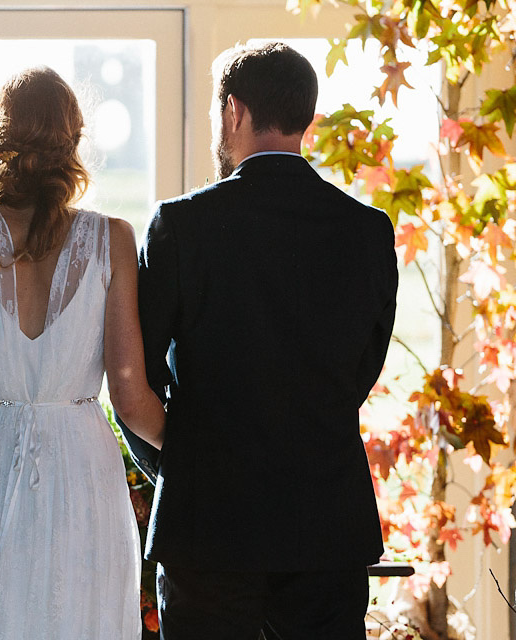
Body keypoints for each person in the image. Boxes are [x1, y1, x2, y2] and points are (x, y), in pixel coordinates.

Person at [121, 41, 398, 639]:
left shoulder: (181, 225)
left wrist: (180, 460)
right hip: (326, 523)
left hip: (208, 525)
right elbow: (361, 370)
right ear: (306, 116)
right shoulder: (368, 232)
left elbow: (134, 373)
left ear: (233, 111)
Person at [0, 66, 165, 640]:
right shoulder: (113, 239)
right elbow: (129, 393)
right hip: (80, 469)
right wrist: (196, 455)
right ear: (73, 141)